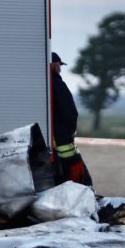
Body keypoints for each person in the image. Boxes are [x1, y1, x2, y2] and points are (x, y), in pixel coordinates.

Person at [50, 52, 93, 187]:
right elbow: (70, 113)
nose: (60, 69)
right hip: (63, 142)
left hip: (53, 143)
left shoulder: (42, 85)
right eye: (59, 65)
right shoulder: (57, 84)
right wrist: (70, 131)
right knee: (81, 181)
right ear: (54, 65)